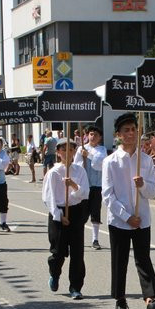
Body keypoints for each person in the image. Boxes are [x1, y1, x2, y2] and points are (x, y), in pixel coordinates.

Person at [102, 113, 155, 309]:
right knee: (119, 260)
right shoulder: (110, 161)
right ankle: (120, 298)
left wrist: (142, 185)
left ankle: (151, 298)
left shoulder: (145, 161)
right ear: (118, 134)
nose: (130, 133)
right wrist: (126, 216)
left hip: (142, 219)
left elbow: (152, 192)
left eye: (133, 129)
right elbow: (108, 195)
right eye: (126, 130)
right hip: (120, 220)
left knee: (143, 258)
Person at [42, 139, 89, 299]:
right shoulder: (53, 172)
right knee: (58, 251)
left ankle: (75, 286)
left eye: (71, 150)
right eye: (64, 149)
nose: (68, 153)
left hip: (76, 211)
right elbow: (48, 197)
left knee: (77, 252)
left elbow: (85, 193)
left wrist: (74, 186)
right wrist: (59, 215)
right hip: (59, 212)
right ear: (58, 152)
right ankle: (54, 274)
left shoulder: (79, 171)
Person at [77, 125, 107, 250]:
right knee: (82, 213)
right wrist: (82, 160)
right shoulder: (81, 149)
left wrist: (88, 155)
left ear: (99, 137)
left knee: (95, 212)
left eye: (95, 135)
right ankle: (78, 238)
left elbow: (100, 164)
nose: (92, 137)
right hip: (85, 185)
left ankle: (95, 239)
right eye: (90, 134)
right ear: (87, 135)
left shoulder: (102, 149)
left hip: (97, 185)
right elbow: (76, 165)